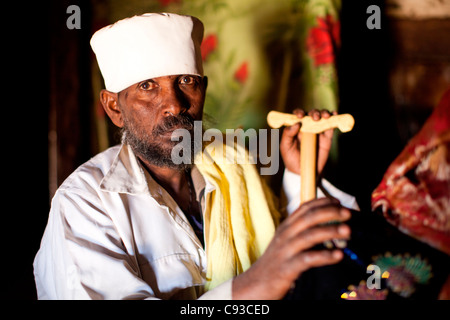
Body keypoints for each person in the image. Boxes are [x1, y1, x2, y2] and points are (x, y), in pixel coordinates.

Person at [34, 13, 358, 300]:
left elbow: (298, 265)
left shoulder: (232, 166)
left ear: (203, 89)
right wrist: (254, 286)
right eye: (148, 86)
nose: (174, 104)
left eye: (186, 81)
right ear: (114, 107)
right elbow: (271, 273)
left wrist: (301, 177)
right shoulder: (85, 204)